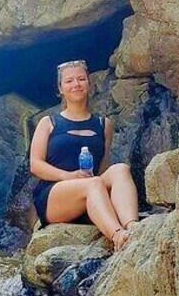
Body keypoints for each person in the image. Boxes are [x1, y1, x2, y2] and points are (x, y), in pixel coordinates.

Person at [30, 59, 139, 250]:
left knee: (120, 169)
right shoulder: (48, 123)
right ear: (60, 88)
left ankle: (133, 227)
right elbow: (35, 165)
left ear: (89, 84)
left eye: (81, 79)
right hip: (56, 195)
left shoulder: (104, 125)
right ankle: (118, 236)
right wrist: (68, 176)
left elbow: (103, 167)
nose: (76, 84)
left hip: (92, 188)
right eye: (69, 81)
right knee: (93, 183)